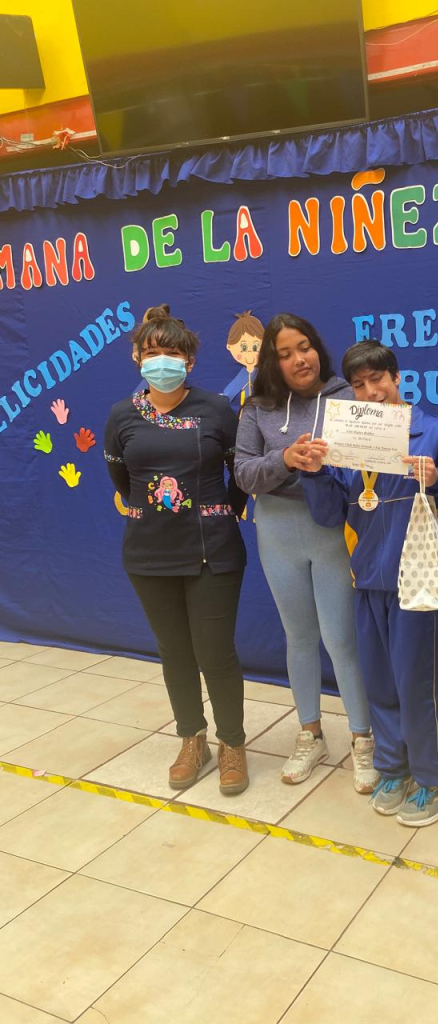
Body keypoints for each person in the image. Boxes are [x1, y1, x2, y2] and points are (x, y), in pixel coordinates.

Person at [300, 340, 438, 828]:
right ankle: (394, 769)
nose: (370, 391)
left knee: (416, 683)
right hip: (366, 578)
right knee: (379, 682)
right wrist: (315, 474)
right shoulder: (348, 440)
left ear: (397, 377)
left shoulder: (431, 431)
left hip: (414, 578)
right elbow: (329, 514)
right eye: (358, 384)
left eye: (378, 379)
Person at [104, 305, 250, 795]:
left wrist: (218, 513)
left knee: (215, 652)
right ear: (136, 358)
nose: (161, 361)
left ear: (189, 360)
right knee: (174, 653)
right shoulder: (122, 415)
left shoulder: (216, 409)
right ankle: (193, 739)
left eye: (171, 352)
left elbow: (240, 475)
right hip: (148, 554)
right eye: (151, 352)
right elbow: (122, 479)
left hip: (213, 552)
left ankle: (232, 743)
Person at [234, 313, 377, 793]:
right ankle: (310, 734)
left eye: (305, 347)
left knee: (340, 640)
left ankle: (363, 738)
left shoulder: (345, 397)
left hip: (332, 530)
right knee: (298, 637)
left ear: (318, 348)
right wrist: (286, 458)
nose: (300, 359)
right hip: (277, 530)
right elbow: (244, 474)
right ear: (271, 363)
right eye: (285, 353)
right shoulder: (257, 408)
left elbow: (371, 460)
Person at [222, 311, 264, 408]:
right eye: (244, 347)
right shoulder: (243, 375)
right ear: (229, 347)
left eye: (255, 347)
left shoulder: (263, 374)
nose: (249, 352)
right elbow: (229, 393)